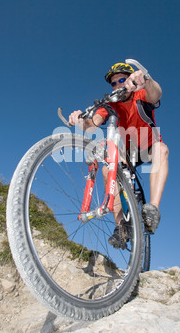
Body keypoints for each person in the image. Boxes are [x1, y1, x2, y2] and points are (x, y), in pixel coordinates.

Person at [69, 62, 169, 249]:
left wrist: (145, 80)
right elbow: (92, 124)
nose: (117, 86)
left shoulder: (141, 94)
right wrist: (79, 120)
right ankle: (121, 226)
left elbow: (157, 93)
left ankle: (153, 209)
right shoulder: (110, 103)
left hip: (148, 147)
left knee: (161, 150)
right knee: (108, 168)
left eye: (122, 80)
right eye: (113, 83)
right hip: (128, 151)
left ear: (131, 79)